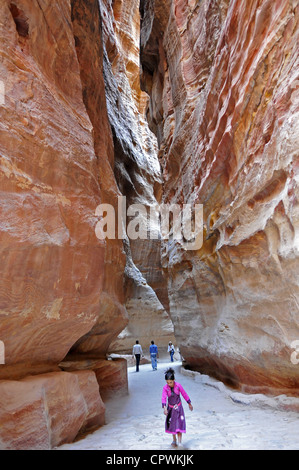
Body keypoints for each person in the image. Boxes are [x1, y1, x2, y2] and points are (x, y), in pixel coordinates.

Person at [161, 367, 193, 448]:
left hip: (178, 409)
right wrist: (165, 408)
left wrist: (189, 403)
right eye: (167, 382)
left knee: (179, 424)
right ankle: (174, 440)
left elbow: (184, 394)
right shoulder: (165, 388)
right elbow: (163, 397)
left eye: (171, 382)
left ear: (174, 379)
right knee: (172, 425)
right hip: (170, 409)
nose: (169, 384)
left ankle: (179, 442)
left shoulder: (178, 386)